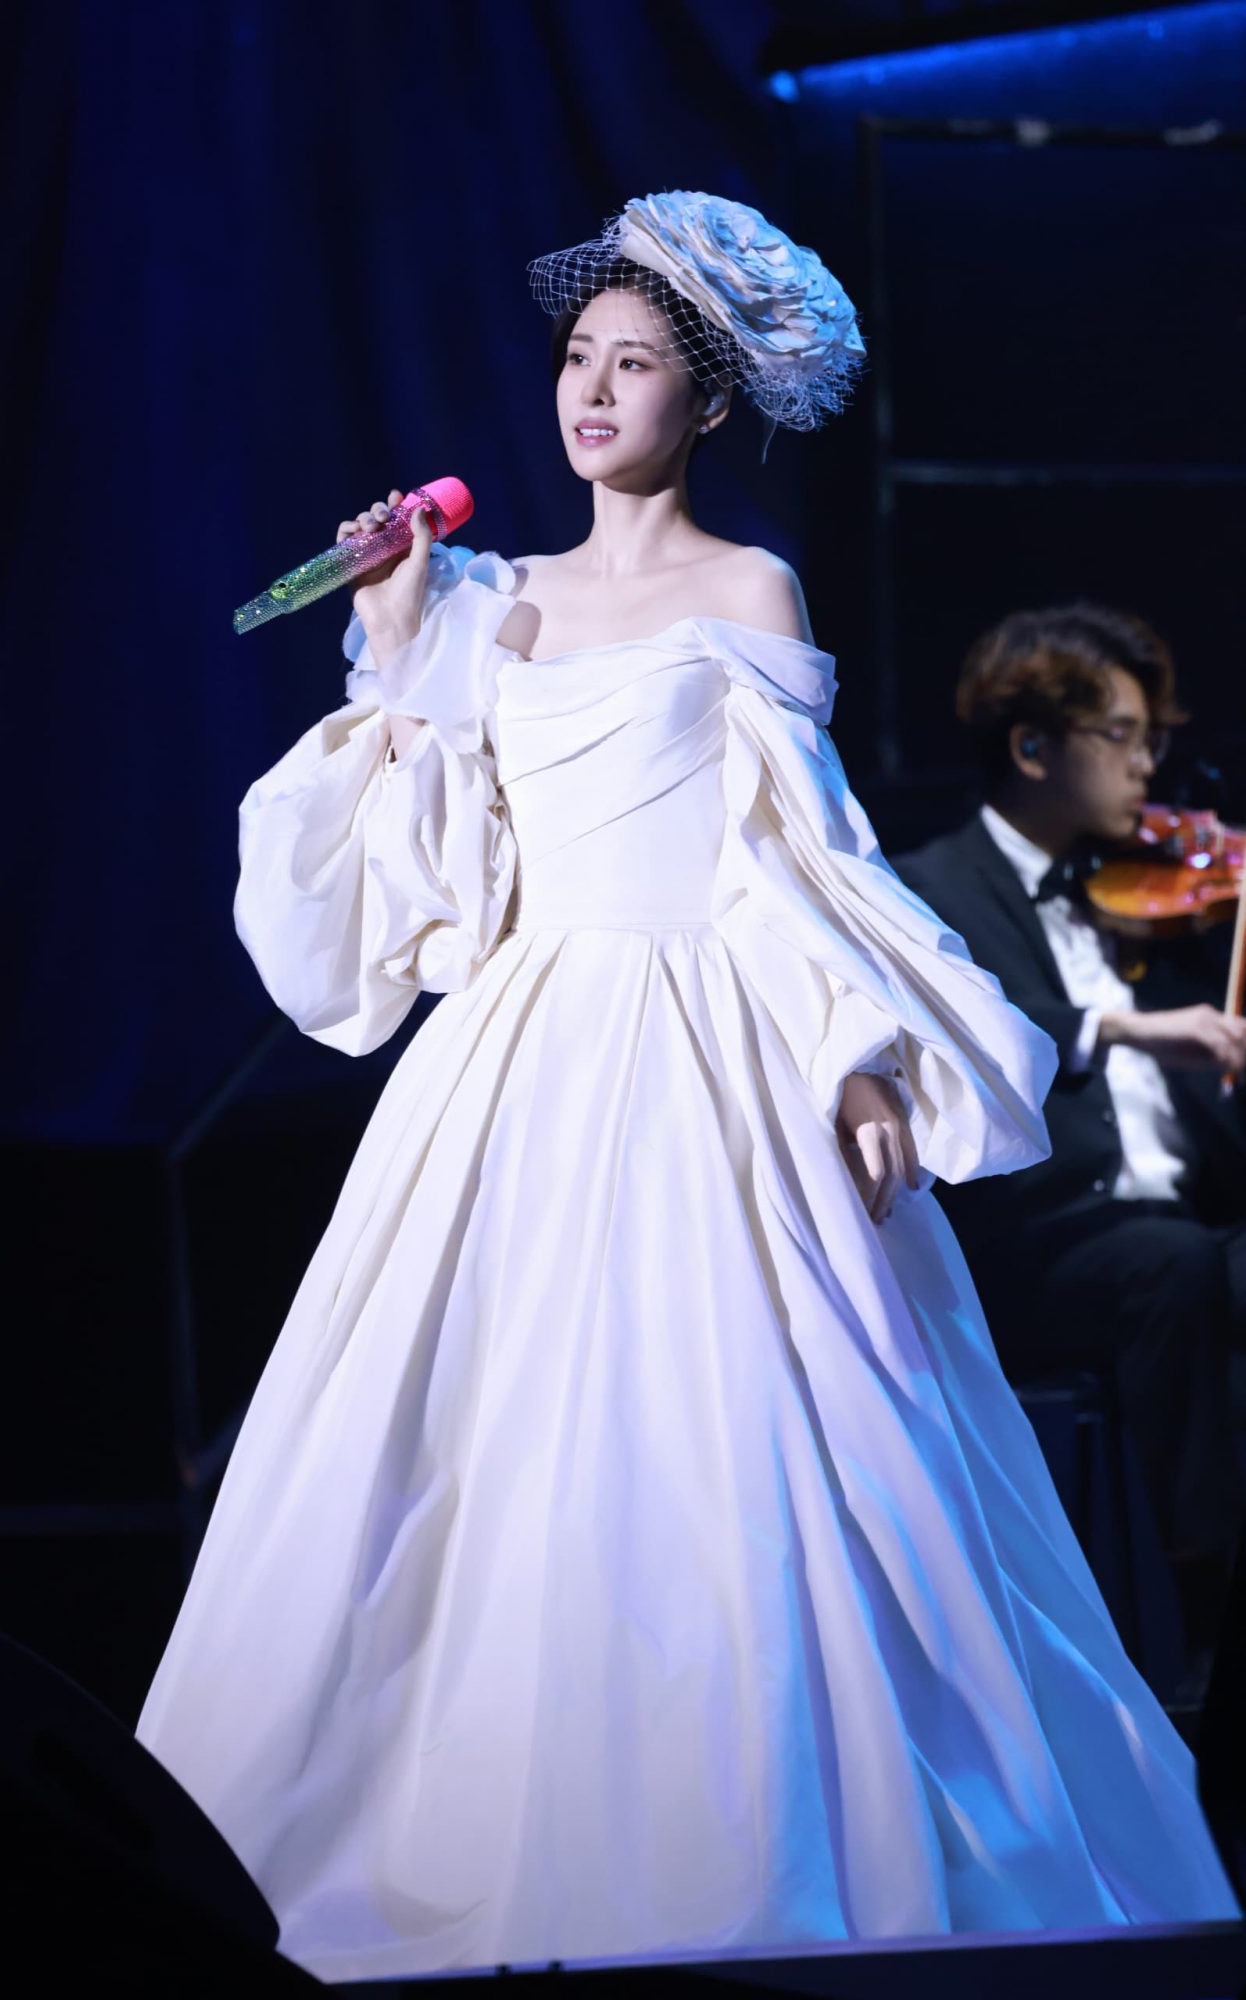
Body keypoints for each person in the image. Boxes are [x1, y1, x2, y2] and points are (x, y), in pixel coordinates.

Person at [135, 194, 1241, 1983]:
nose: (591, 390)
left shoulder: (745, 592)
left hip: (705, 1054)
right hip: (516, 1050)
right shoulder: (492, 598)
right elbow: (439, 875)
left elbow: (791, 859)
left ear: (705, 401)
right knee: (453, 1438)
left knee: (757, 1436)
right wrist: (401, 635)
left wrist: (855, 1049)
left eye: (634, 364)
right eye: (578, 356)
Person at [894, 606, 1246, 1676]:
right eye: (1124, 736)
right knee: (1171, 1269)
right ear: (1032, 747)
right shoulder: (925, 890)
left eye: (1152, 740)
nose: (1148, 766)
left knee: (1191, 1261)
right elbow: (969, 1034)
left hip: (1183, 1221)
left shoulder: (1154, 889)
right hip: (1037, 1242)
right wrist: (1118, 1026)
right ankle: (1206, 1612)